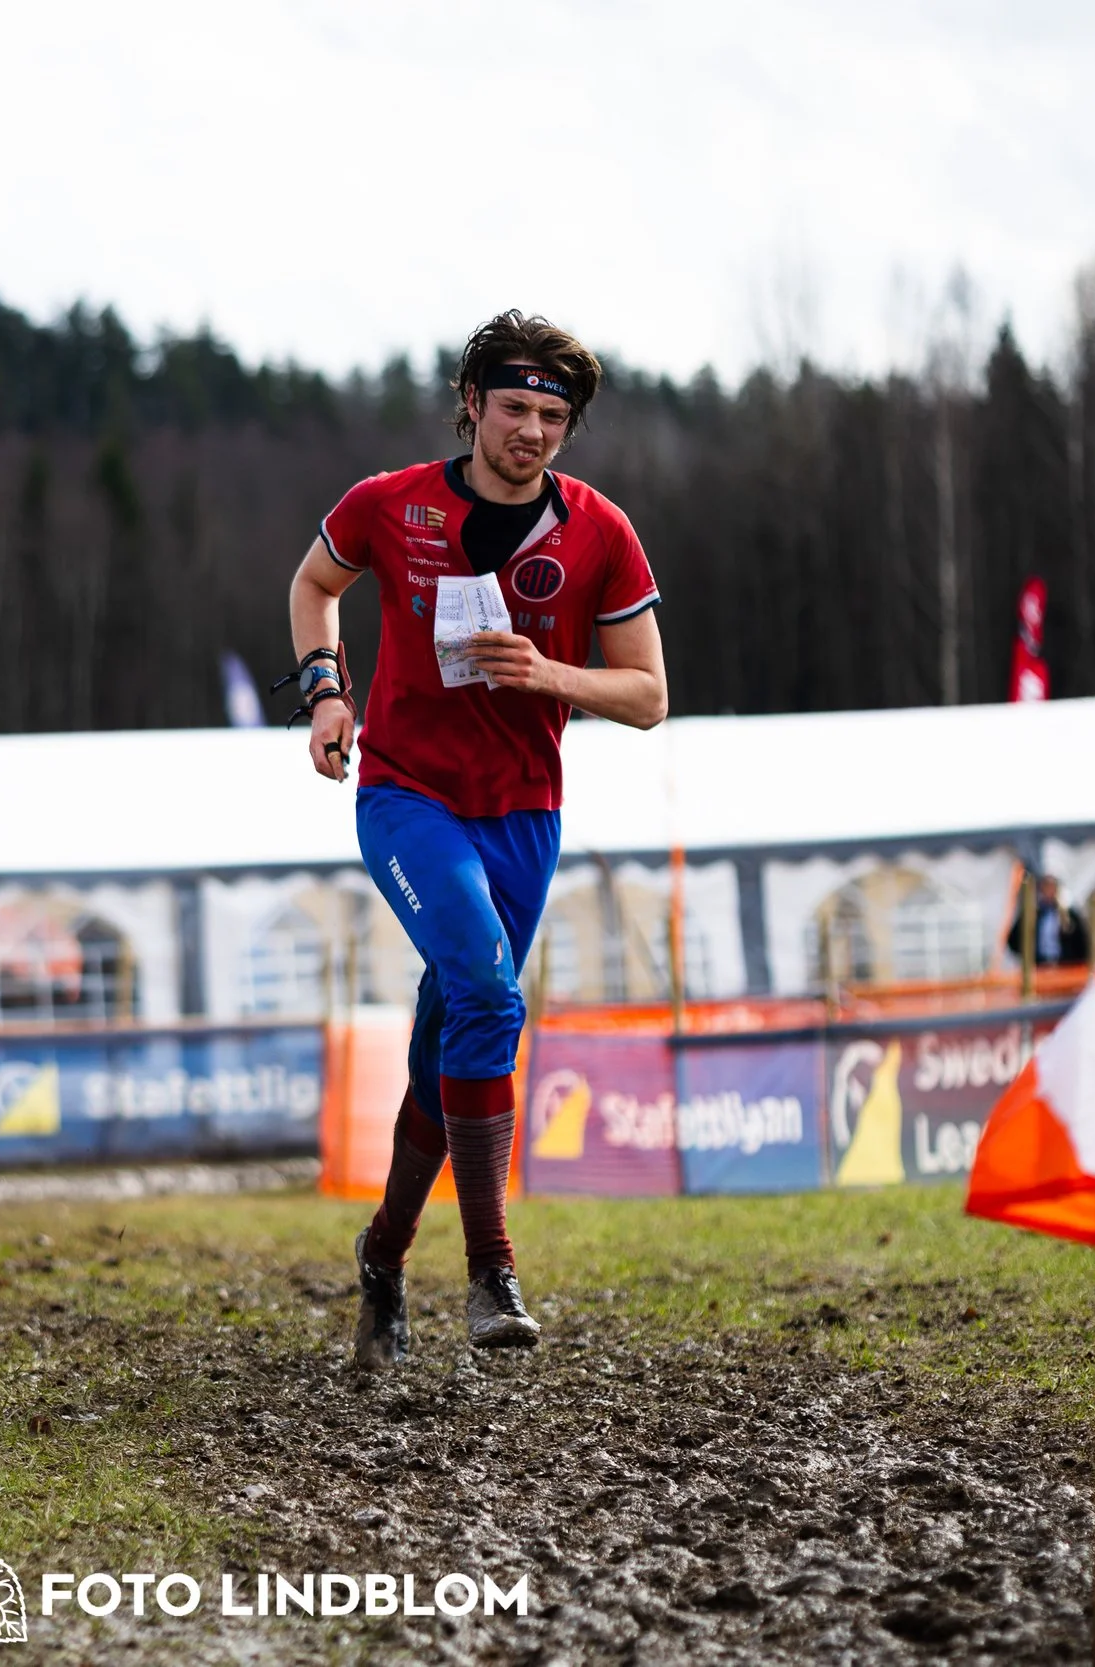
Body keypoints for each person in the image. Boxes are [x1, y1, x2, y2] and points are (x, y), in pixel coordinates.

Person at [285, 311, 669, 1367]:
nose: (532, 431)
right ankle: (492, 1267)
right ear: (470, 402)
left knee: (447, 1039)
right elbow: (314, 585)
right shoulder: (389, 502)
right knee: (492, 997)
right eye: (513, 408)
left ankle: (381, 1253)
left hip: (525, 814)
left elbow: (647, 695)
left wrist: (549, 675)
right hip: (408, 796)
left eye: (552, 416)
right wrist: (326, 692)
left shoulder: (599, 530)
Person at [1008, 874, 1091, 967]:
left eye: (1051, 887)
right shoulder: (1032, 914)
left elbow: (1082, 943)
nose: (1049, 891)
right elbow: (1013, 939)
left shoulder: (1069, 914)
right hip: (1040, 966)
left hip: (1064, 966)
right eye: (1046, 887)